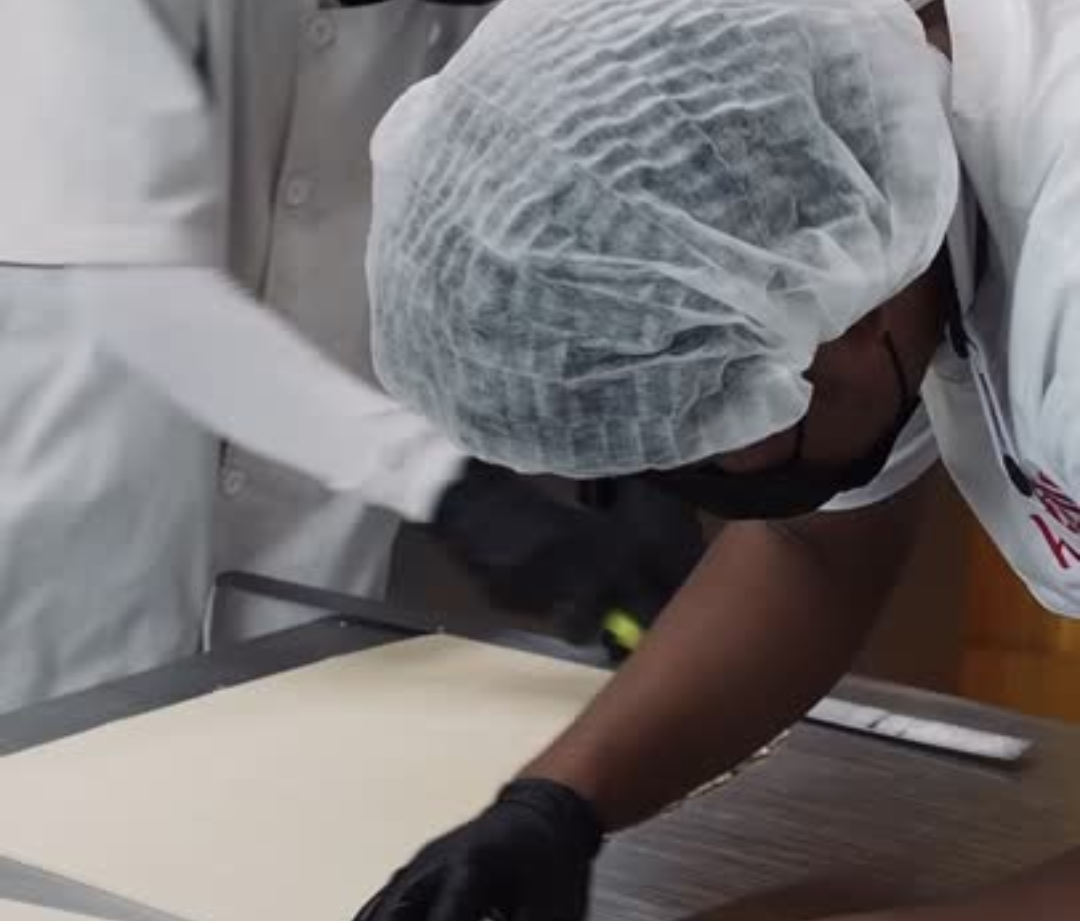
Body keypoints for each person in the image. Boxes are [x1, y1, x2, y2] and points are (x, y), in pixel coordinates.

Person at [349, 0, 1080, 921]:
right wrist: (561, 798)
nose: (722, 482)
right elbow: (814, 543)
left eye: (726, 428)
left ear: (841, 318)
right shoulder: (867, 168)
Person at [0, 0, 698, 715]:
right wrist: (446, 486)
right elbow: (135, 288)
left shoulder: (482, 20)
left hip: (316, 578)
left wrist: (641, 463)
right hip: (72, 546)